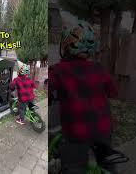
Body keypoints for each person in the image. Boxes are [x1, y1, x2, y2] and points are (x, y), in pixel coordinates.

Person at [49, 20, 120, 173]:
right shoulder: (98, 68)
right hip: (103, 129)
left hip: (76, 134)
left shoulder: (58, 70)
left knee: (74, 166)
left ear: (66, 45)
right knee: (107, 163)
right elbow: (113, 91)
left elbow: (46, 89)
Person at [10, 61, 36, 125]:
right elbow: (34, 86)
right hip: (31, 97)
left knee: (22, 109)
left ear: (20, 72)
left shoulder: (17, 79)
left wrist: (12, 88)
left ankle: (21, 120)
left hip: (23, 98)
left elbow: (12, 86)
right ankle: (33, 116)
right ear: (27, 73)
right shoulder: (29, 79)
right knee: (31, 107)